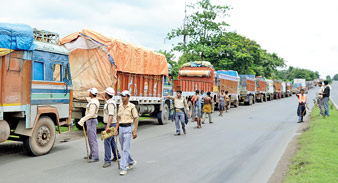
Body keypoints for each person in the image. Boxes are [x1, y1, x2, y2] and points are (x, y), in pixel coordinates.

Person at [114, 90, 138, 176]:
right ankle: (131, 161)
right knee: (123, 148)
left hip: (128, 128)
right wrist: (116, 129)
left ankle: (123, 168)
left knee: (125, 149)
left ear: (128, 97)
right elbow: (119, 118)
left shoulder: (132, 107)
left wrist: (134, 131)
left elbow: (136, 118)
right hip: (121, 128)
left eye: (124, 96)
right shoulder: (120, 106)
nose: (122, 97)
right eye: (121, 95)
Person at [78, 88, 100, 162]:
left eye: (90, 92)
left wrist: (82, 120)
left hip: (91, 121)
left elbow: (91, 114)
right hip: (90, 121)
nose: (89, 93)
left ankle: (95, 156)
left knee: (92, 139)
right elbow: (88, 100)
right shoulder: (94, 100)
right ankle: (92, 154)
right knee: (90, 138)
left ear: (91, 93)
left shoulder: (93, 103)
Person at [102, 87, 121, 168]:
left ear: (107, 94)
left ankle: (107, 161)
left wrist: (108, 126)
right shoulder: (109, 102)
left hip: (111, 124)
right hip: (112, 124)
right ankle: (117, 155)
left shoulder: (110, 104)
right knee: (112, 141)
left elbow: (111, 115)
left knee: (106, 141)